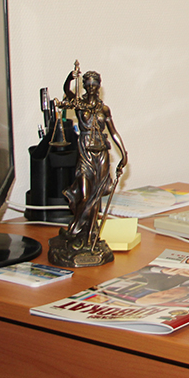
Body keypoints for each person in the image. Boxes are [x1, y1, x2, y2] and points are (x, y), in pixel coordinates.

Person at [60, 65, 128, 248]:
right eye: (88, 85)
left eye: (94, 85)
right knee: (84, 195)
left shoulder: (104, 109)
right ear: (84, 86)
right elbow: (66, 90)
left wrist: (123, 153)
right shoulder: (79, 104)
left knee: (96, 196)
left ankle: (90, 234)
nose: (91, 88)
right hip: (85, 153)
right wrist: (70, 77)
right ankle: (76, 228)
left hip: (101, 154)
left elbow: (113, 132)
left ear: (99, 86)